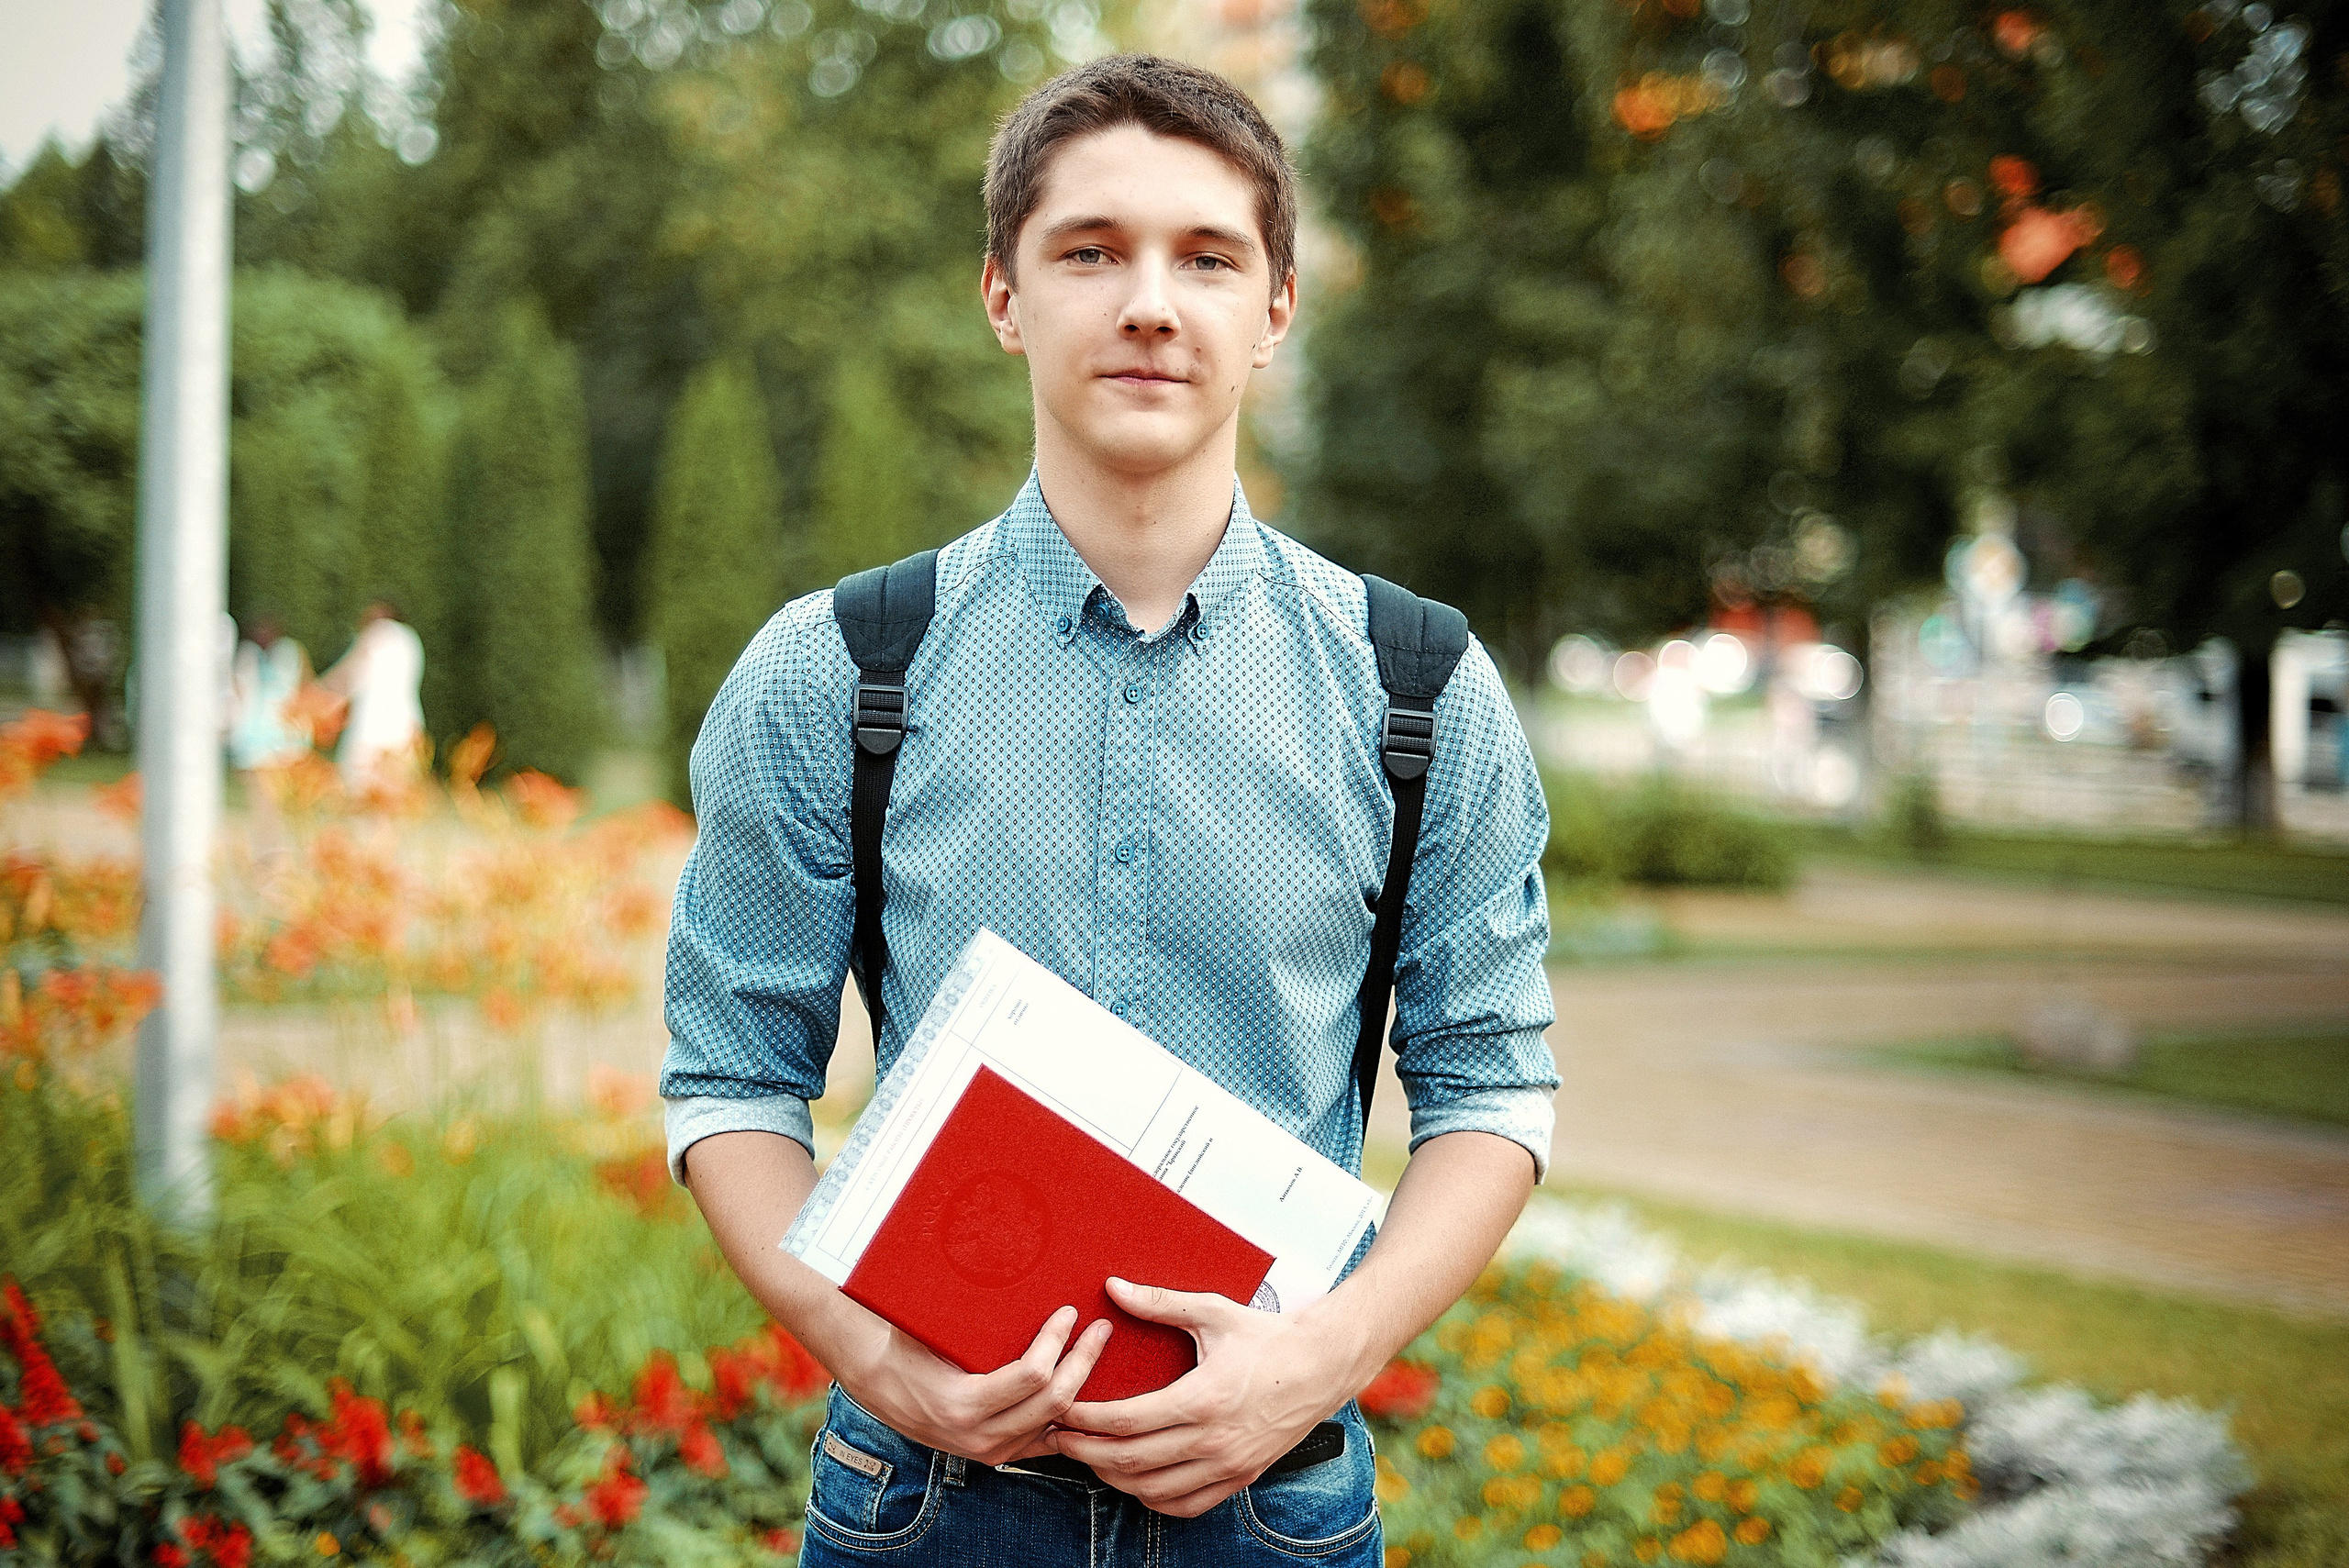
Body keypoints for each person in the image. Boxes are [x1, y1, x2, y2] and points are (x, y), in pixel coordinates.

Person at [661, 56, 1557, 1567]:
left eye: (1208, 257)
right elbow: (731, 1076)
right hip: (922, 1501)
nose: (1152, 302)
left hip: (1275, 1499)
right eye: (1091, 250)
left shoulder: (1422, 687)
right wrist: (873, 1354)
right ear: (1005, 293)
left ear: (1275, 307)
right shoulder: (835, 670)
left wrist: (1323, 1352)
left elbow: (1492, 1091)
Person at [227, 614, 312, 854]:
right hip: (257, 737)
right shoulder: (249, 656)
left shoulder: (289, 654)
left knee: (274, 799)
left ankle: (269, 848)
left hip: (282, 735)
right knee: (263, 798)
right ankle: (268, 848)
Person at [319, 600, 425, 792]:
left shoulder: (377, 634)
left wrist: (317, 693)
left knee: (361, 790)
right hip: (407, 724)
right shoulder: (411, 639)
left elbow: (348, 676)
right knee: (397, 790)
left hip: (372, 725)